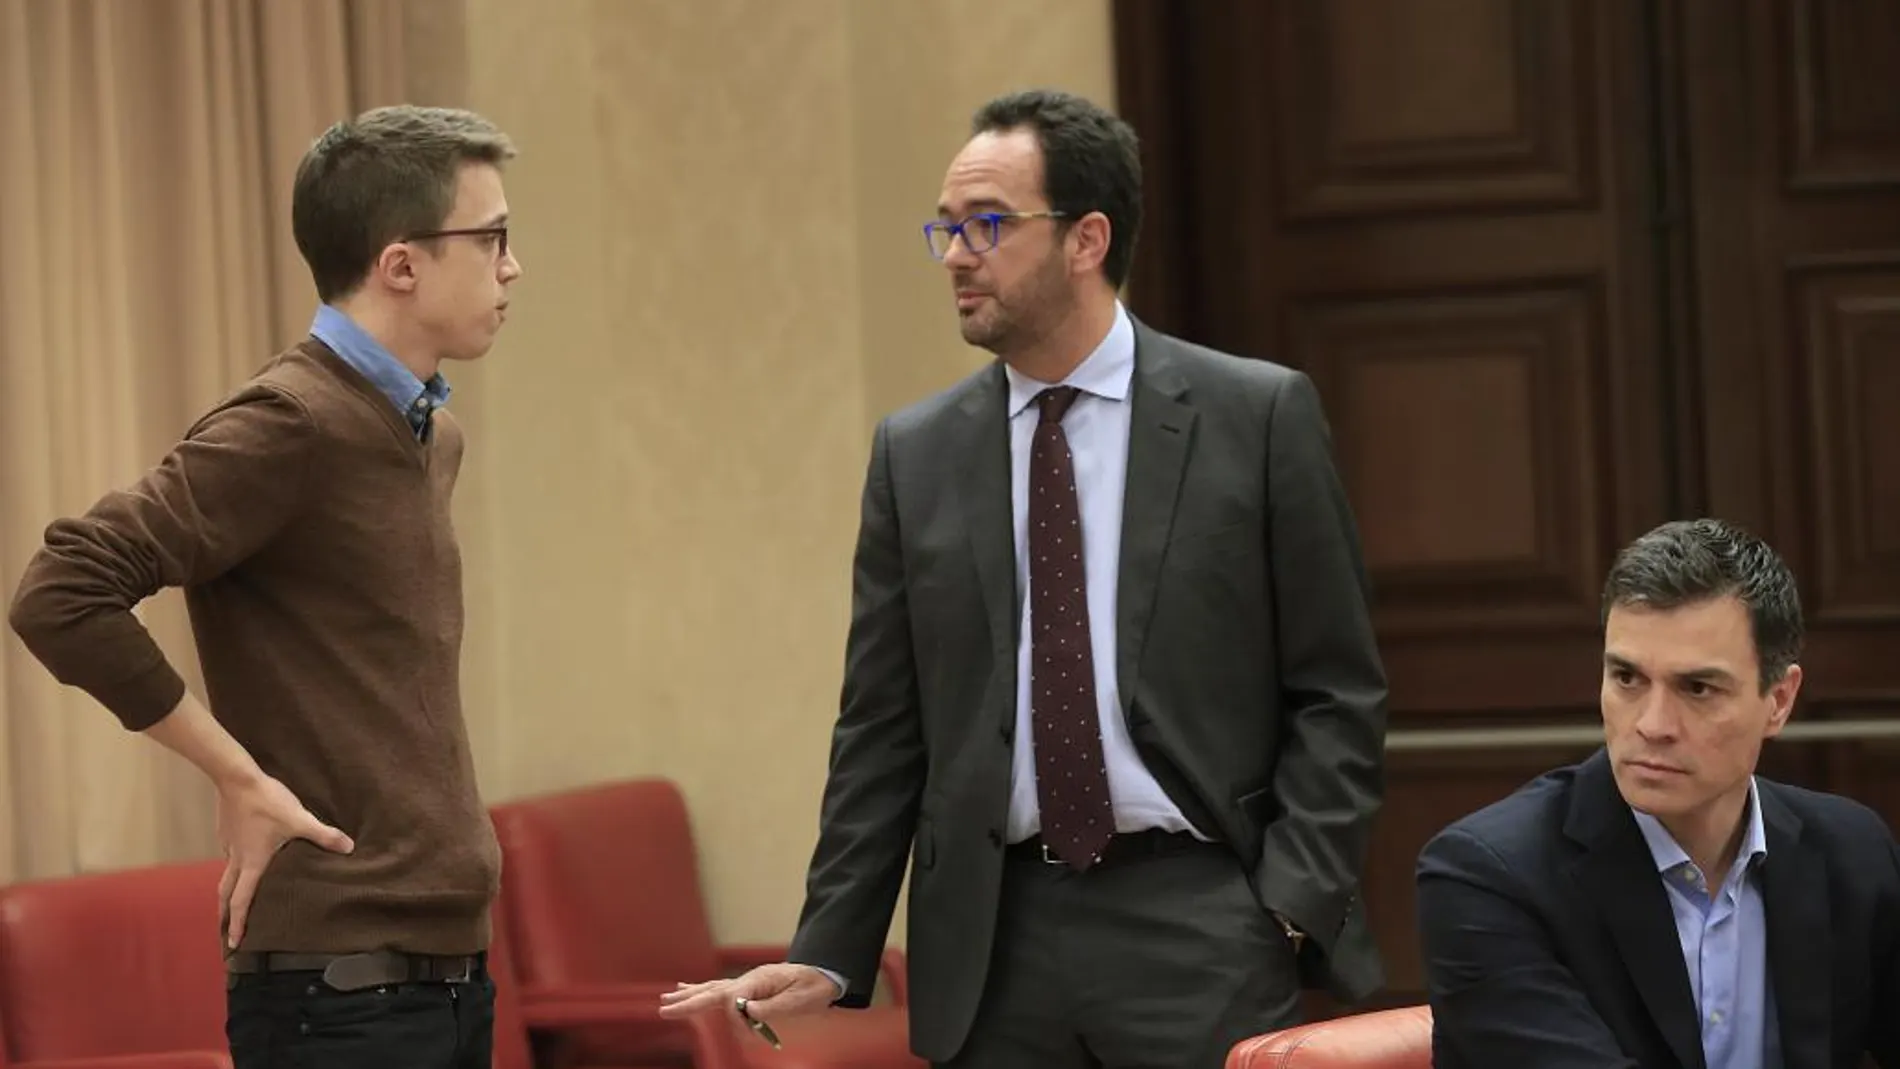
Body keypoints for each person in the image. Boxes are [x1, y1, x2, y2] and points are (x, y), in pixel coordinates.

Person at [659, 88, 1388, 1068]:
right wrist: (832, 945)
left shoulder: (1252, 417)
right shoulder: (913, 454)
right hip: (993, 941)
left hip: (1198, 919)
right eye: (947, 228)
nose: (956, 254)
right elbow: (882, 722)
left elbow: (1336, 688)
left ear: (1086, 239)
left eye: (987, 225)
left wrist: (1289, 906)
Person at [7, 104, 522, 1069]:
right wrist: (235, 773)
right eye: (490, 238)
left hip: (451, 976)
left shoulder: (427, 436)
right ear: (401, 264)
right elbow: (62, 588)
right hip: (337, 993)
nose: (512, 266)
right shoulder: (291, 421)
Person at [1416, 518, 1900, 1068]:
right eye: (1627, 679)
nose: (1652, 724)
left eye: (1697, 688)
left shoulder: (1851, 851)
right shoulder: (1488, 876)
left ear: (1779, 701)